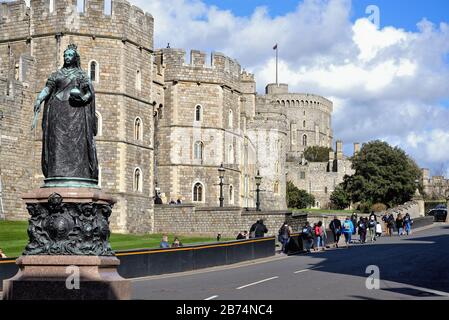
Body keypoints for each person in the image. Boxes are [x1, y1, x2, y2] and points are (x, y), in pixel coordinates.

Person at [32, 43, 98, 182]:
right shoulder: (56, 75)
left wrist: (82, 98)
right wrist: (39, 99)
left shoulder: (81, 75)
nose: (67, 57)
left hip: (76, 112)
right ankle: (56, 173)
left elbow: (89, 93)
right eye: (65, 55)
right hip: (57, 111)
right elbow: (47, 89)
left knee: (76, 143)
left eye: (70, 55)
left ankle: (79, 174)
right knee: (56, 142)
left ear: (75, 58)